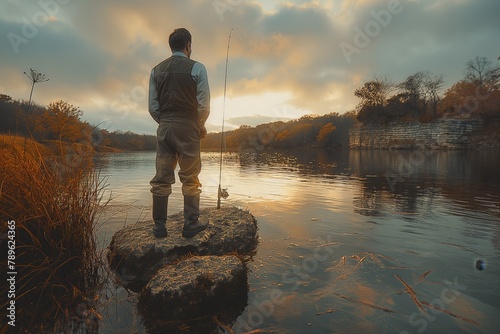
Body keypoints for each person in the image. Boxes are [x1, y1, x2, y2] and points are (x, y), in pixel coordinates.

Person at [148, 28, 210, 238]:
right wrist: (198, 124)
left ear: (170, 46)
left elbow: (153, 107)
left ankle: (159, 227)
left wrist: (165, 121)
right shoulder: (198, 68)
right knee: (190, 176)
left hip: (164, 127)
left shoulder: (156, 70)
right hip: (188, 127)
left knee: (162, 177)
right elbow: (204, 105)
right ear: (188, 45)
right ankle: (191, 223)